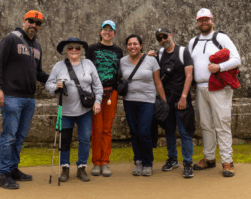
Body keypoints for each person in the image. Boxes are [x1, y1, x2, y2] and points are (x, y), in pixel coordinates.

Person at [0, 10, 49, 190]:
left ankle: (13, 169)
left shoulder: (37, 46)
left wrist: (55, 79)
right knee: (8, 137)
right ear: (24, 21)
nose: (34, 25)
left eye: (38, 23)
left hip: (29, 99)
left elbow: (38, 73)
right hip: (11, 96)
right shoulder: (11, 39)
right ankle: (3, 174)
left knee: (20, 137)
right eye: (31, 21)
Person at [188, 8, 241, 177]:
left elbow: (236, 59)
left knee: (222, 123)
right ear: (197, 22)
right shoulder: (193, 42)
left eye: (207, 19)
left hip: (219, 87)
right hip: (201, 87)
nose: (204, 22)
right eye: (201, 20)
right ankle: (209, 158)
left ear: (212, 20)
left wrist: (219, 67)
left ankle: (227, 161)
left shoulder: (221, 38)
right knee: (205, 125)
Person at [45, 37, 103, 182]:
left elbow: (97, 85)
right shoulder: (59, 66)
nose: (74, 50)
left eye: (77, 48)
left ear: (81, 50)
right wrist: (56, 87)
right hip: (64, 111)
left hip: (85, 111)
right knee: (64, 140)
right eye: (71, 48)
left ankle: (81, 167)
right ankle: (65, 167)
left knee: (84, 139)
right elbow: (48, 85)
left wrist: (98, 101)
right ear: (66, 51)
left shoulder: (88, 64)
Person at [148, 27, 195, 178]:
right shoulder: (160, 54)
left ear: (171, 36)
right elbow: (156, 77)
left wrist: (183, 97)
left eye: (165, 37)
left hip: (181, 98)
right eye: (159, 39)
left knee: (184, 132)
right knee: (169, 132)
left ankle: (188, 163)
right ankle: (172, 159)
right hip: (166, 99)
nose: (163, 40)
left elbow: (189, 76)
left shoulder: (183, 52)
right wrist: (147, 56)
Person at [120, 34, 166, 177]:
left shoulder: (151, 60)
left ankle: (148, 162)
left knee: (144, 131)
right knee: (134, 132)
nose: (132, 47)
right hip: (129, 100)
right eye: (129, 44)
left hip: (147, 100)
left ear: (141, 45)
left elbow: (158, 81)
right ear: (126, 46)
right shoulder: (122, 61)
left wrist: (164, 102)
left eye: (135, 44)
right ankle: (138, 161)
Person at [86, 20, 123, 177]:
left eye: (111, 30)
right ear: (100, 32)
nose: (107, 32)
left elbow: (121, 70)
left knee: (107, 129)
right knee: (96, 129)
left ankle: (105, 162)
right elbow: (86, 68)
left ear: (114, 33)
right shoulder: (92, 49)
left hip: (111, 93)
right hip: (95, 93)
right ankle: (96, 162)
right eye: (105, 29)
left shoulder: (118, 51)